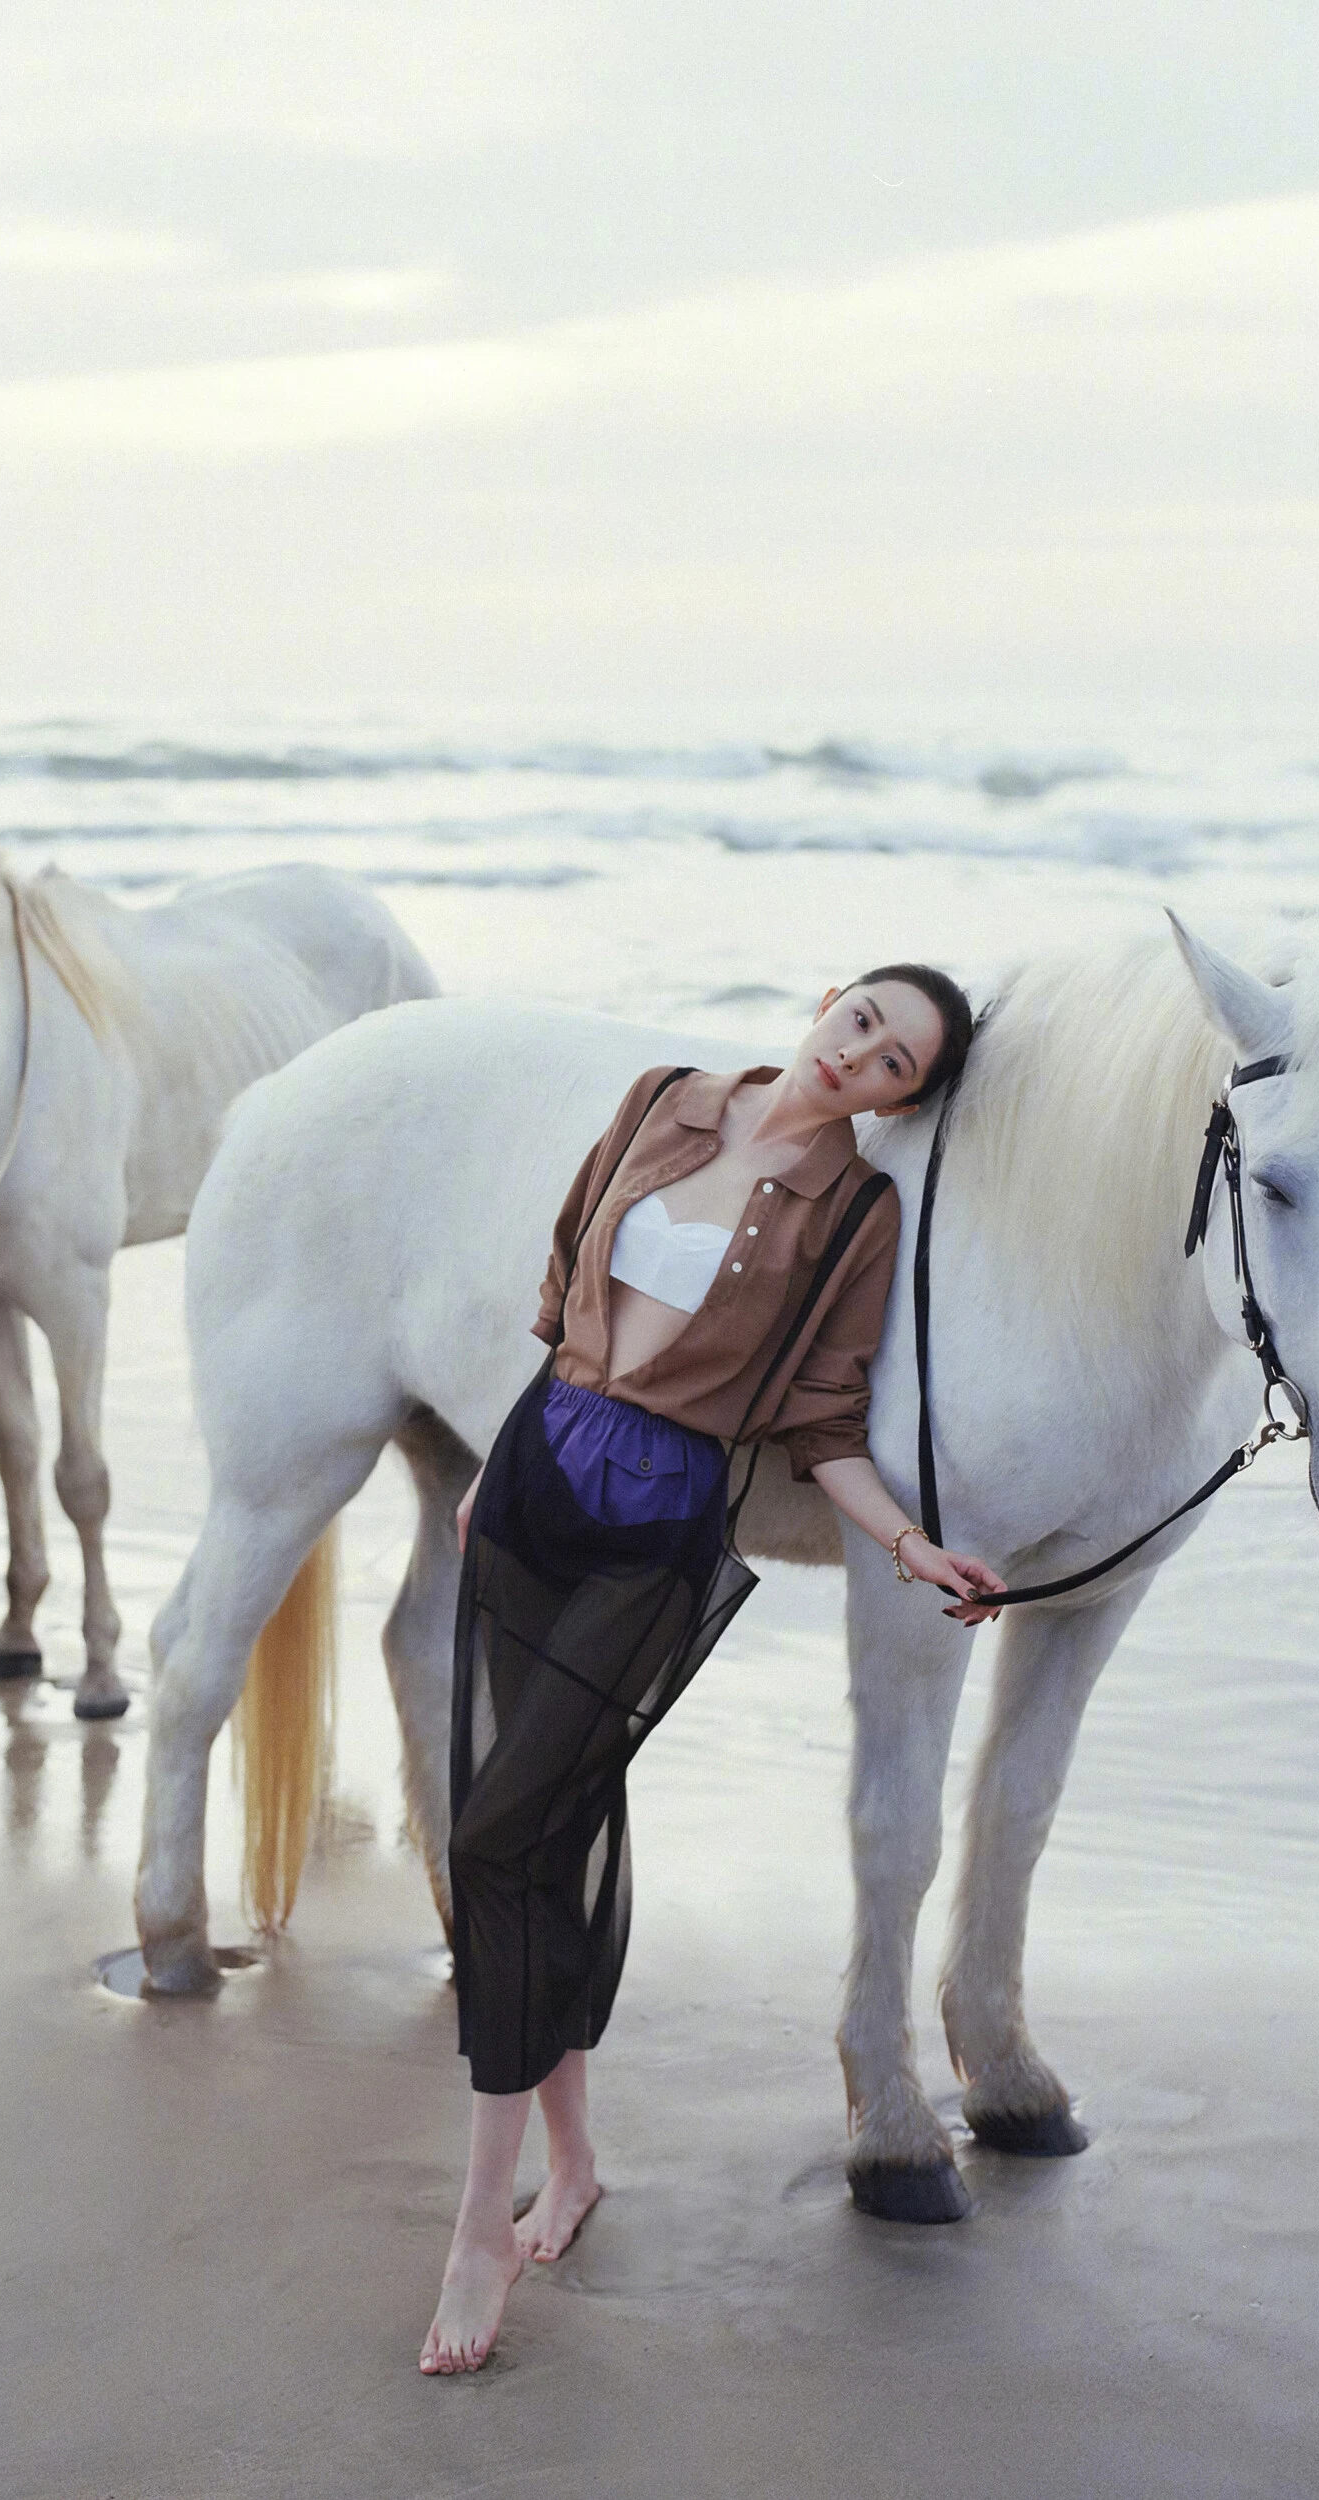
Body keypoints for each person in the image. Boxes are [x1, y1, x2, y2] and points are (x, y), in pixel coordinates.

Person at [420, 968, 1006, 2374]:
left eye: (896, 1064)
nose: (860, 1056)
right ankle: (571, 2166)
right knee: (544, 1840)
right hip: (536, 1474)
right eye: (862, 1021)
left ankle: (477, 2227)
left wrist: (912, 1547)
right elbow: (563, 1283)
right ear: (828, 1002)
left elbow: (825, 1424)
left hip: (657, 1523)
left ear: (903, 1100)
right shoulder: (663, 1102)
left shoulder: (855, 1213)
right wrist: (498, 1459)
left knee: (496, 1842)